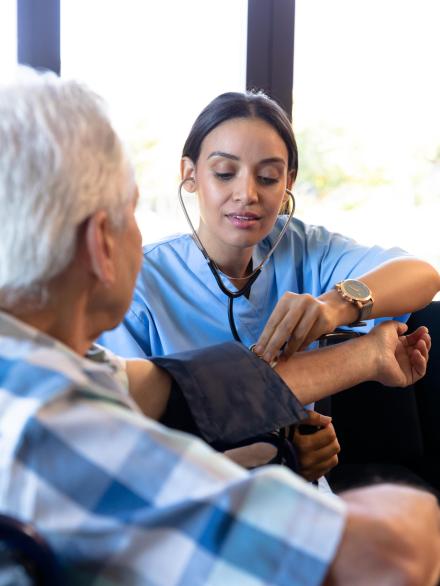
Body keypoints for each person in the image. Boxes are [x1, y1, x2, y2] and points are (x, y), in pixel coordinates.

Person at [0, 69, 439, 586]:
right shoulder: (65, 428)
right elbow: (391, 556)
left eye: (269, 177)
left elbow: (183, 391)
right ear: (102, 242)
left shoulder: (59, 365)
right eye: (133, 213)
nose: (246, 195)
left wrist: (352, 333)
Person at [99, 91, 440, 482]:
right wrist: (281, 457)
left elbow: (423, 275)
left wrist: (337, 304)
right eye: (225, 173)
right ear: (189, 175)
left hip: (292, 494)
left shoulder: (302, 248)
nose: (248, 194)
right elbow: (129, 438)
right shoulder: (140, 282)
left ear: (288, 183)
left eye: (268, 177)